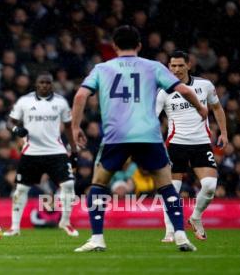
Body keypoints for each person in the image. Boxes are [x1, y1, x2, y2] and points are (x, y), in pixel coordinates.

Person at [71, 25, 208, 252]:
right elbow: (183, 90)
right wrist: (201, 109)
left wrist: (75, 127)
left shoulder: (101, 68)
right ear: (139, 46)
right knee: (166, 186)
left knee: (98, 184)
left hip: (116, 136)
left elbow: (80, 95)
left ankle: (97, 239)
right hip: (148, 135)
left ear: (114, 46)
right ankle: (181, 236)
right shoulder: (153, 67)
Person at [156, 51, 228, 242]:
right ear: (169, 67)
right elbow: (152, 119)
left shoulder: (204, 85)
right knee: (172, 190)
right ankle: (169, 232)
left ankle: (195, 217)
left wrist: (224, 132)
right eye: (173, 66)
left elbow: (217, 108)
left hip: (201, 144)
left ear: (189, 65)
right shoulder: (163, 91)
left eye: (180, 65)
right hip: (175, 145)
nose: (176, 69)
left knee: (210, 186)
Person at [3, 72, 79, 237]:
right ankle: (14, 227)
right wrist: (16, 129)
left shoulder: (61, 102)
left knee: (68, 185)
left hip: (55, 151)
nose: (44, 85)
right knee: (21, 189)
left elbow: (68, 127)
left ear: (52, 85)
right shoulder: (24, 101)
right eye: (41, 82)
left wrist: (73, 149)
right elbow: (9, 122)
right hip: (32, 151)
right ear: (36, 84)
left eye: (47, 83)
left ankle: (65, 222)